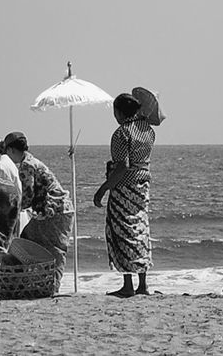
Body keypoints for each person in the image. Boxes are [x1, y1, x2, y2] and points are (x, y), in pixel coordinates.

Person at [93, 93, 157, 297]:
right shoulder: (148, 131)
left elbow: (122, 166)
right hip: (142, 186)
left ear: (120, 112)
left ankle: (128, 284)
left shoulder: (122, 133)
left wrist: (103, 188)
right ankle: (143, 284)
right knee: (139, 229)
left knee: (121, 231)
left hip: (124, 187)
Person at [4, 131, 74, 267]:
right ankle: (41, 280)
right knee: (34, 241)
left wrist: (10, 211)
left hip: (55, 211)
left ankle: (51, 284)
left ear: (10, 150)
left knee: (53, 250)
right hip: (59, 209)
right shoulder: (30, 161)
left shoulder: (26, 166)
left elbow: (27, 196)